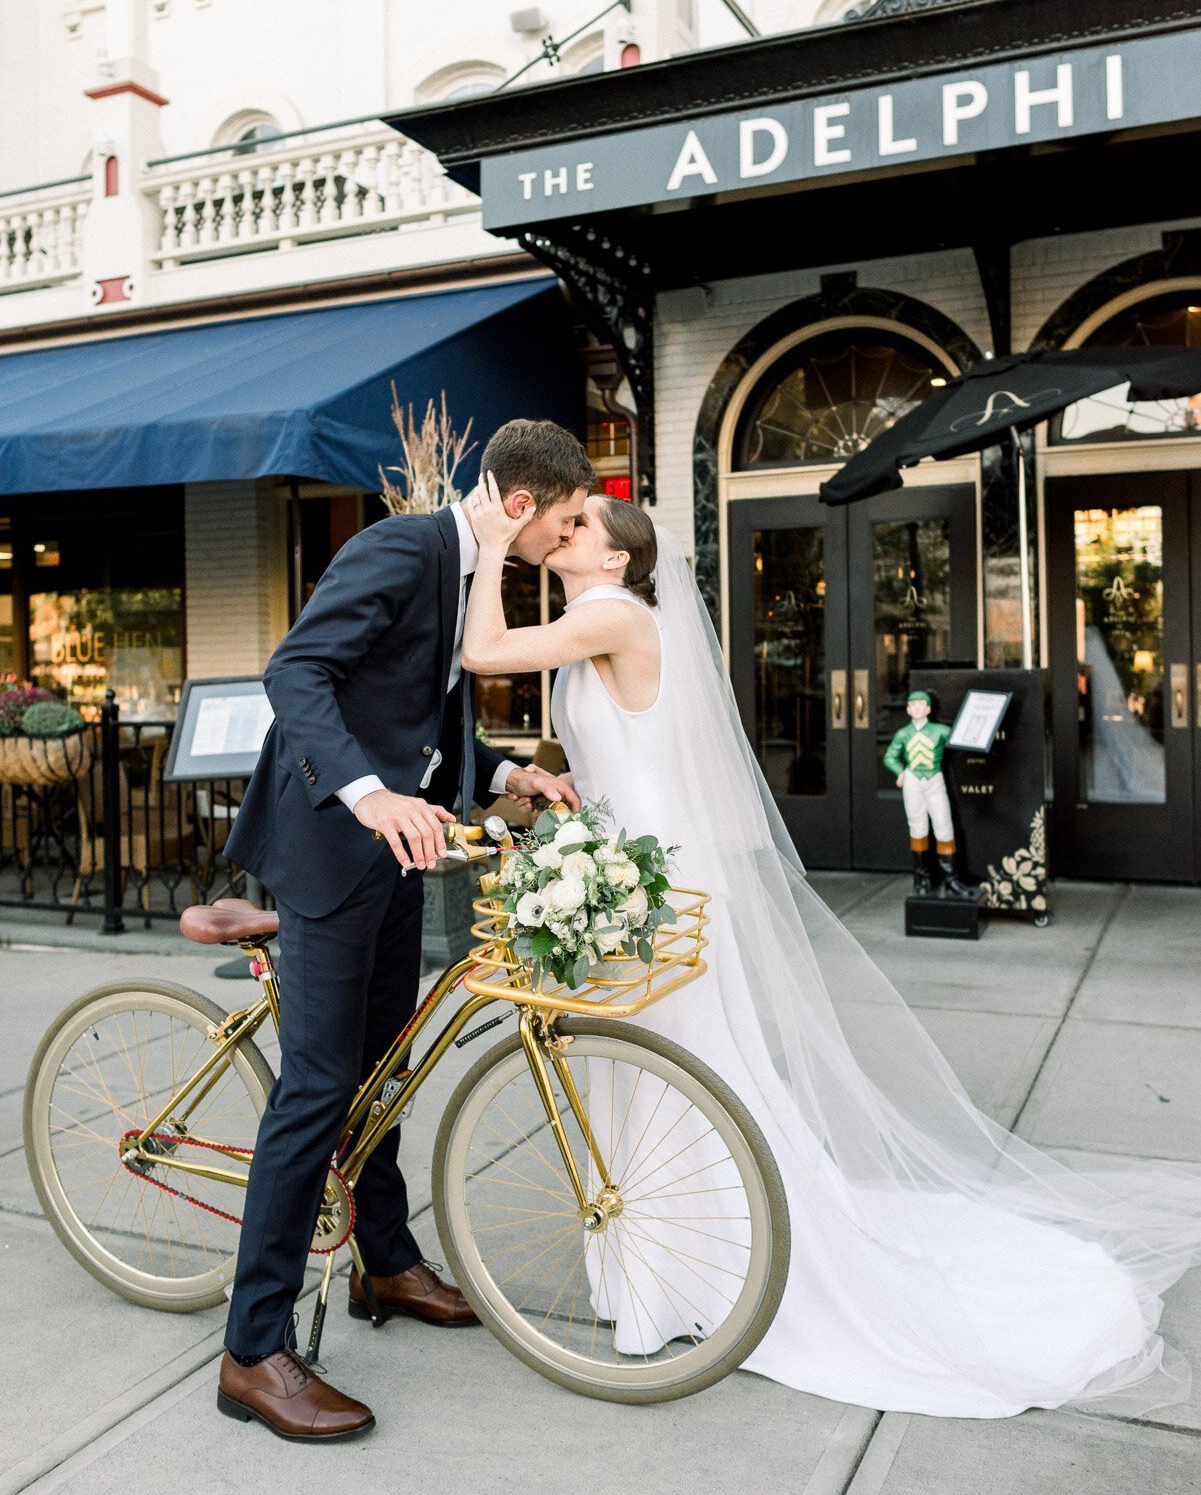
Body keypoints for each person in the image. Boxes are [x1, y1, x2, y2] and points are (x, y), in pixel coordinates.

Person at [462, 478, 1201, 1420]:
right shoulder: (596, 621)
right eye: (560, 522)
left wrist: (492, 542)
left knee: (670, 1065)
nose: (561, 531)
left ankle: (700, 1273)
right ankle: (656, 1273)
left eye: (580, 525)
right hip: (615, 865)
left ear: (615, 557)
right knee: (634, 1069)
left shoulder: (610, 613)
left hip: (647, 880)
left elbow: (483, 652)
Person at [217, 421, 590, 1442]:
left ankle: (383, 1263)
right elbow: (296, 674)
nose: (566, 542)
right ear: (521, 505)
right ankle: (252, 1353)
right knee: (317, 1088)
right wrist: (370, 795)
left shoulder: (470, 574)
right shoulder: (399, 547)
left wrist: (506, 770)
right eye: (564, 524)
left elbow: (421, 717)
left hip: (396, 856)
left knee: (382, 1069)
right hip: (332, 850)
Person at [881, 688, 972, 896]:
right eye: (913, 705)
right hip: (913, 781)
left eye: (921, 704)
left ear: (928, 709)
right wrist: (900, 771)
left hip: (934, 780)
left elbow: (960, 738)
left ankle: (951, 879)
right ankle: (921, 880)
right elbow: (889, 756)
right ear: (908, 709)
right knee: (917, 828)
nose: (917, 708)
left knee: (944, 826)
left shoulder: (940, 730)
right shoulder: (903, 734)